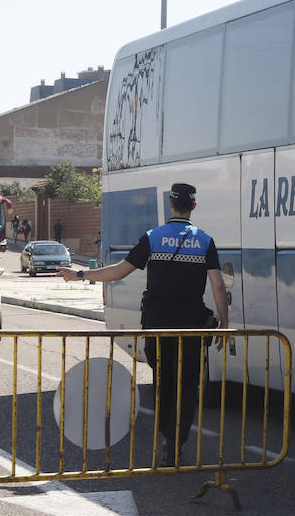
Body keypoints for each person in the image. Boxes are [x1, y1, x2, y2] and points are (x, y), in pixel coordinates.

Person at [59, 183, 229, 466]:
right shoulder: (204, 241)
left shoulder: (153, 237)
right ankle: (176, 441)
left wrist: (80, 274)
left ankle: (165, 438)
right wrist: (224, 322)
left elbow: (118, 272)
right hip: (191, 324)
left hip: (157, 322)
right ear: (193, 207)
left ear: (170, 204)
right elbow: (219, 286)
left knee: (164, 380)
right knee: (187, 384)